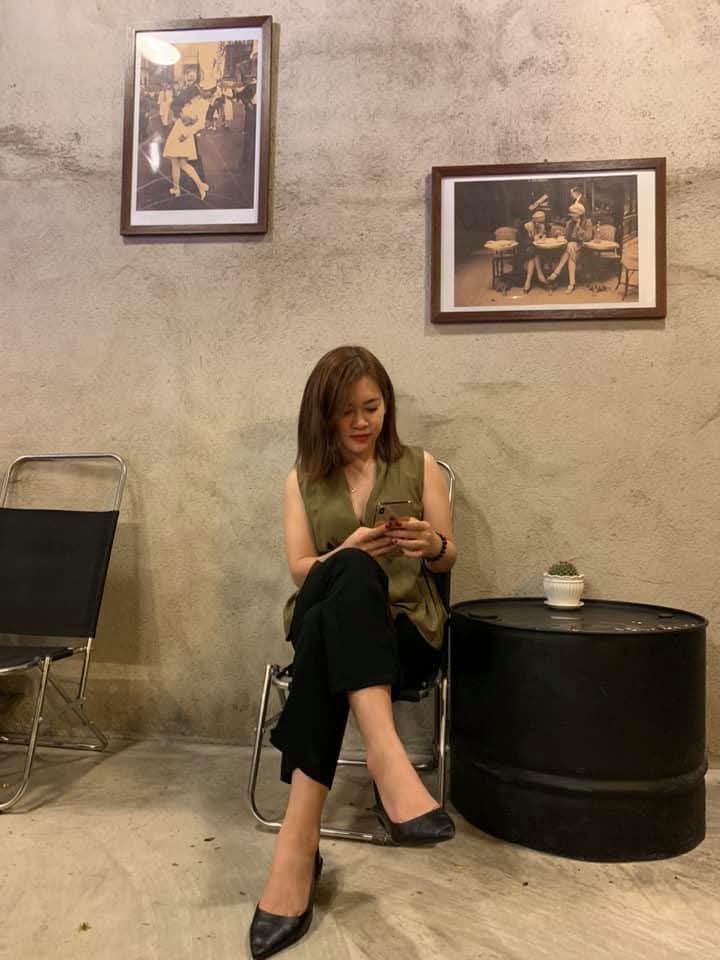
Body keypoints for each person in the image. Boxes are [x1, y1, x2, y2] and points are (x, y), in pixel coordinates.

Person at [249, 346, 457, 959]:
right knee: (348, 573)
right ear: (323, 415)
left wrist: (431, 542)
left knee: (326, 634)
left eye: (372, 407)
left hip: (405, 634)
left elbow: (448, 557)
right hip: (336, 624)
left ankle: (296, 849)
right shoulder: (300, 481)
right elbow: (299, 568)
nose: (362, 422)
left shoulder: (420, 467)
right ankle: (387, 763)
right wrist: (350, 552)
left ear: (386, 405)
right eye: (347, 411)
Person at [162, 99, 209, 200]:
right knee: (182, 164)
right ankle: (198, 186)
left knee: (177, 164)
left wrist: (184, 130)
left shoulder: (194, 104)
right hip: (183, 132)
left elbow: (196, 122)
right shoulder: (195, 103)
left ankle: (178, 189)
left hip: (181, 133)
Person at [547, 202, 594, 293]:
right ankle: (572, 283)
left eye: (573, 213)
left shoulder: (588, 222)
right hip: (572, 249)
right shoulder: (570, 223)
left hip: (584, 248)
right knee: (571, 248)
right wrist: (560, 233)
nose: (571, 215)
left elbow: (588, 238)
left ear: (580, 214)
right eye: (571, 213)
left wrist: (578, 228)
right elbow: (567, 237)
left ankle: (556, 272)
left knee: (570, 246)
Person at [520, 209, 548, 293]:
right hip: (525, 250)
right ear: (534, 220)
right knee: (533, 252)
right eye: (538, 222)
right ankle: (540, 274)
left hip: (536, 250)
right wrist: (533, 239)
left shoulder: (542, 226)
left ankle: (528, 281)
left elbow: (544, 236)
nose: (540, 224)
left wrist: (543, 236)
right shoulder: (526, 226)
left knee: (534, 253)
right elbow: (522, 242)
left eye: (542, 222)